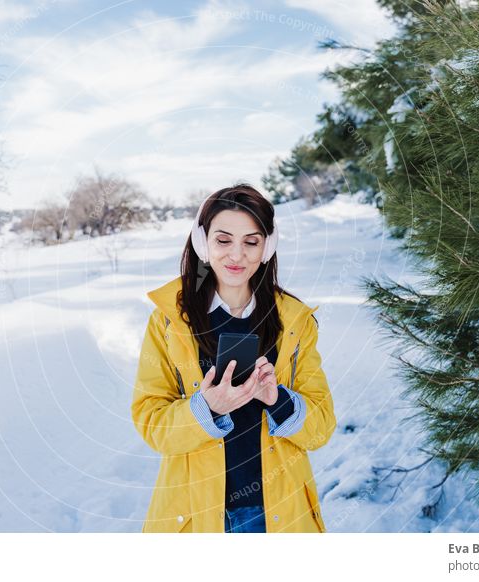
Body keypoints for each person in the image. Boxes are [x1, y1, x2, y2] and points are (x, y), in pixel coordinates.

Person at [132, 183, 336, 533]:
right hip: (195, 514)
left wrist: (278, 399)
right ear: (202, 243)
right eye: (223, 240)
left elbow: (321, 429)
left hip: (277, 515)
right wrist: (206, 408)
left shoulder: (295, 321)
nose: (236, 255)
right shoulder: (168, 320)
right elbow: (151, 422)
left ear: (267, 247)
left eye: (251, 242)